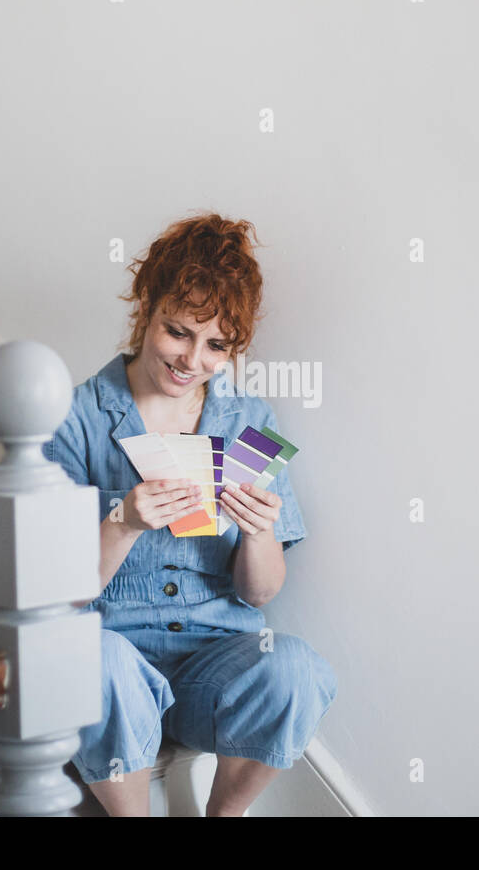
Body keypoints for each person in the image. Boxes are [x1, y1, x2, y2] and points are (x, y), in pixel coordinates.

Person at [43, 212, 337, 816]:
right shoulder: (76, 417)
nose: (191, 360)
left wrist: (257, 532)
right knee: (92, 659)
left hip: (215, 663)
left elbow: (259, 594)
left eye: (216, 346)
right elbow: (58, 593)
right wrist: (121, 521)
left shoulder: (248, 422)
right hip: (114, 649)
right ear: (146, 308)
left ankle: (224, 815)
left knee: (295, 668)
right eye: (178, 331)